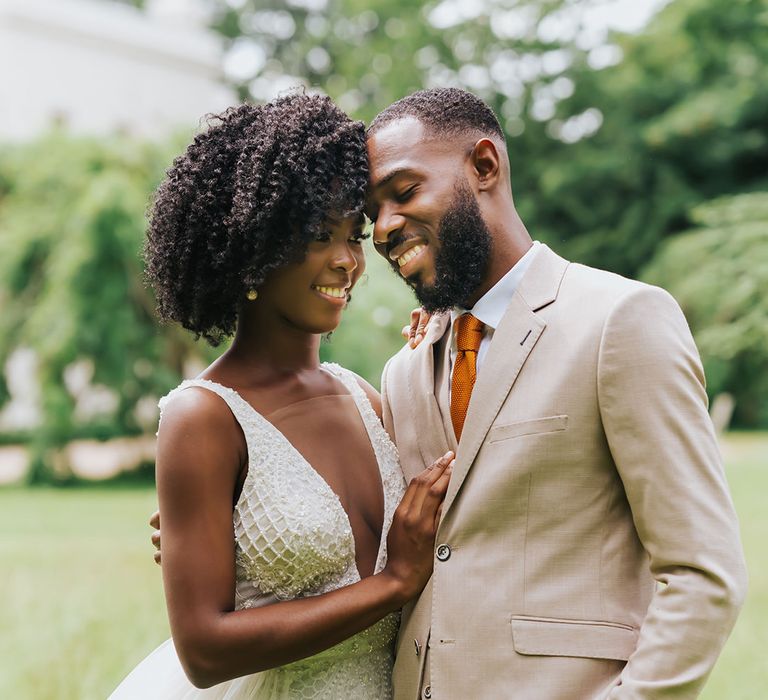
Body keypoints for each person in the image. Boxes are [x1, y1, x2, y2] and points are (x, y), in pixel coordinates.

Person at [364, 88, 747, 699]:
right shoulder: (404, 372)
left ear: (484, 166)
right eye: (371, 212)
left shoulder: (621, 321)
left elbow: (704, 574)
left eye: (404, 192)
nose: (383, 228)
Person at [110, 93, 454, 700]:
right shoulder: (205, 417)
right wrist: (393, 582)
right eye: (321, 235)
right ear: (250, 246)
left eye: (354, 234)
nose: (347, 261)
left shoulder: (367, 399)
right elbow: (204, 650)